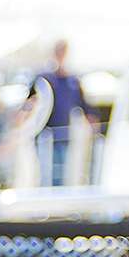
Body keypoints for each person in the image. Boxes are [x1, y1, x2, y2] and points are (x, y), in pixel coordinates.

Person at [30, 40, 95, 185]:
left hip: (64, 136)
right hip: (44, 135)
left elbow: (84, 106)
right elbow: (29, 103)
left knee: (60, 172)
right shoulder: (43, 79)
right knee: (46, 172)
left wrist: (92, 125)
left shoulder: (73, 81)